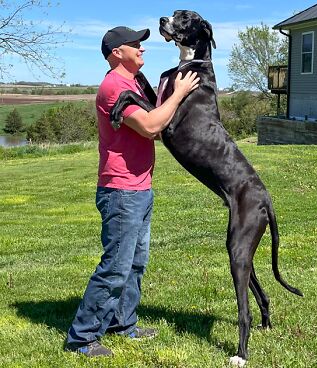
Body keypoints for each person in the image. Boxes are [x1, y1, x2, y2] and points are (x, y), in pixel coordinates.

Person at [64, 26, 199, 357]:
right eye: (135, 45)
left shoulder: (135, 82)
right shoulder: (114, 87)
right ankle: (81, 337)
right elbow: (152, 125)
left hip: (140, 186)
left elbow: (156, 118)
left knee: (135, 263)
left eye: (142, 44)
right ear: (115, 53)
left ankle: (123, 323)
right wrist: (179, 92)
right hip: (121, 190)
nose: (142, 49)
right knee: (115, 266)